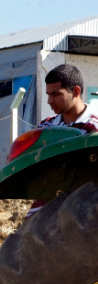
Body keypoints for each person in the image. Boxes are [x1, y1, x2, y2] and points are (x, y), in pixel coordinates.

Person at [27, 64, 98, 218]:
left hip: (83, 213)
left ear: (76, 91)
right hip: (44, 212)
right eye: (48, 94)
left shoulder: (93, 128)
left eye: (56, 94)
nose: (49, 101)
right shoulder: (45, 127)